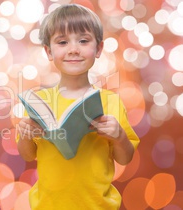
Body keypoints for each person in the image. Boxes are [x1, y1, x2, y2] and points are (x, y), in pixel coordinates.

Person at [17, 4, 140, 209]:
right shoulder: (39, 102)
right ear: (49, 51)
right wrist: (25, 135)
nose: (73, 49)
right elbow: (28, 155)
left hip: (98, 205)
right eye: (62, 42)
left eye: (83, 41)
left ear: (98, 49)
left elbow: (125, 158)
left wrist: (119, 136)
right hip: (48, 205)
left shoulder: (110, 101)